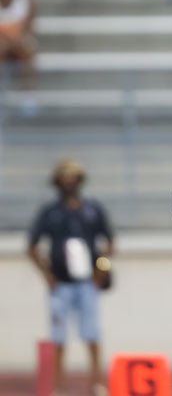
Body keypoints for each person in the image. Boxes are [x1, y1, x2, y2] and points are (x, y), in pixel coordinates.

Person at [27, 160, 114, 396]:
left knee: (92, 333)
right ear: (57, 182)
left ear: (79, 181)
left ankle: (97, 382)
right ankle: (59, 385)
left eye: (73, 177)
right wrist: (46, 275)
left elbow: (109, 241)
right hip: (60, 284)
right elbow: (32, 246)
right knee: (58, 336)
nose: (69, 182)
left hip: (87, 284)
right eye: (64, 178)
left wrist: (101, 269)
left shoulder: (92, 210)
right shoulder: (50, 212)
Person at [0, 0, 36, 84]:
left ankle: (27, 98)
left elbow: (28, 28)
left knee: (26, 52)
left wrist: (15, 41)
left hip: (18, 40)